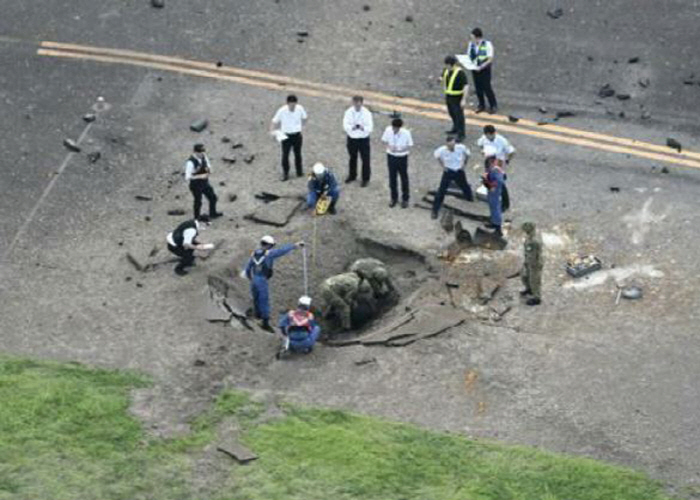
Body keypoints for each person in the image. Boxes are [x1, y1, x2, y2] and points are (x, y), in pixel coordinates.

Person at [243, 236, 304, 332]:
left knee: (256, 298)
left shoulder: (254, 254)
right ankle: (265, 323)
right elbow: (281, 251)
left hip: (254, 279)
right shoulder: (269, 254)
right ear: (268, 245)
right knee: (264, 300)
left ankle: (257, 315)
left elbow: (247, 268)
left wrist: (250, 278)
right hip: (262, 280)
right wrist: (294, 246)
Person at [431, 136, 474, 219]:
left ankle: (470, 200)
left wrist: (464, 164)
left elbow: (468, 154)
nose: (452, 148)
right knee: (441, 190)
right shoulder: (441, 150)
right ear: (447, 144)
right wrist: (443, 166)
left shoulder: (461, 147)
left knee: (465, 186)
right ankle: (435, 210)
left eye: (453, 145)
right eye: (450, 146)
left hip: (459, 171)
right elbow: (437, 156)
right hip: (448, 171)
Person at [270, 94, 308, 181]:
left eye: (294, 105)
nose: (293, 107)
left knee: (298, 154)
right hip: (286, 136)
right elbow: (274, 121)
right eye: (291, 105)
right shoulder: (282, 110)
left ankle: (299, 172)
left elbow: (305, 118)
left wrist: (302, 127)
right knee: (285, 155)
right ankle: (285, 173)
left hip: (297, 134)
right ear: (287, 103)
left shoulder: (300, 108)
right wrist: (272, 131)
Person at [478, 126, 514, 211]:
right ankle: (492, 196)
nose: (489, 137)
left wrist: (507, 160)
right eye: (487, 135)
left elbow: (511, 151)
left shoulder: (502, 141)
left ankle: (505, 204)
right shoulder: (484, 138)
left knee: (500, 183)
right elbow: (480, 145)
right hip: (488, 160)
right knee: (488, 179)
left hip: (498, 162)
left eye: (491, 135)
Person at [381, 117, 413, 208]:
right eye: (394, 128)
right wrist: (389, 147)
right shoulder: (388, 130)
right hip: (391, 156)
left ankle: (405, 199)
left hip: (402, 157)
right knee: (392, 178)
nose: (394, 130)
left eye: (396, 128)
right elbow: (384, 140)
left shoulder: (406, 133)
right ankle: (393, 198)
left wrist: (399, 149)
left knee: (404, 178)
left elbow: (409, 145)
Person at [185, 144, 222, 220]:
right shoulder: (190, 162)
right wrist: (200, 176)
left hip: (204, 183)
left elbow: (208, 166)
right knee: (198, 201)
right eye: (199, 152)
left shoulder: (204, 157)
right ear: (195, 152)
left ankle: (213, 213)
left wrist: (209, 171)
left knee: (213, 197)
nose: (201, 153)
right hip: (195, 185)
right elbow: (187, 177)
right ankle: (196, 217)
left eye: (202, 151)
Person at [343, 95, 373, 186]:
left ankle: (365, 178)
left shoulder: (367, 113)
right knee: (352, 157)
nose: (357, 105)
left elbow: (370, 127)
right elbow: (345, 125)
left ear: (362, 103)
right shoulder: (348, 112)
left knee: (365, 159)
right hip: (352, 138)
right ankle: (352, 175)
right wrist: (353, 127)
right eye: (355, 103)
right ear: (353, 102)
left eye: (359, 103)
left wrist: (362, 127)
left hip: (363, 139)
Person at [467, 28, 498, 114]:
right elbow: (469, 55)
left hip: (484, 69)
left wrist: (481, 67)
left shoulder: (487, 44)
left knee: (487, 87)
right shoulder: (471, 44)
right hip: (475, 68)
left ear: (478, 37)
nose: (471, 39)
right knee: (478, 88)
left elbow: (490, 59)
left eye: (472, 37)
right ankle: (481, 104)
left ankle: (493, 105)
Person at [442, 55, 468, 142]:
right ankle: (455, 128)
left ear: (451, 65)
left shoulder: (460, 73)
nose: (445, 66)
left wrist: (464, 99)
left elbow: (466, 86)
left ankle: (461, 134)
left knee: (459, 116)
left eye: (447, 65)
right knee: (452, 113)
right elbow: (443, 76)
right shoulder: (446, 70)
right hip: (449, 96)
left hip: (457, 97)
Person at [521, 222, 543, 306]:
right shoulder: (530, 236)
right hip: (529, 261)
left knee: (534, 280)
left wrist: (531, 264)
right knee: (525, 276)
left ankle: (536, 298)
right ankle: (529, 289)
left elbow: (534, 255)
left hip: (534, 263)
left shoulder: (534, 241)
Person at [482, 154, 505, 235]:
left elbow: (500, 181)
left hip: (494, 191)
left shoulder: (496, 170)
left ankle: (498, 228)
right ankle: (493, 222)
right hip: (491, 190)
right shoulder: (491, 169)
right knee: (492, 207)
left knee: (495, 208)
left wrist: (493, 186)